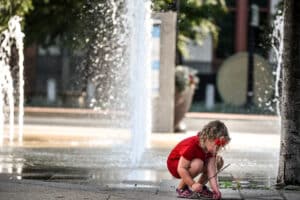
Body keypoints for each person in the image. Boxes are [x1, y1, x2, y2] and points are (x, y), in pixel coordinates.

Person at [167, 120, 230, 200]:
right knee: (198, 164)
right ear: (208, 138)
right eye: (217, 145)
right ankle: (181, 188)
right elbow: (181, 168)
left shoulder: (211, 148)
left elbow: (212, 171)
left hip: (189, 164)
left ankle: (199, 188)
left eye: (221, 146)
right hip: (176, 164)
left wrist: (216, 190)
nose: (218, 149)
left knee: (218, 161)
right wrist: (192, 184)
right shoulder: (193, 145)